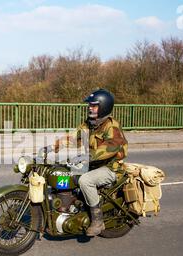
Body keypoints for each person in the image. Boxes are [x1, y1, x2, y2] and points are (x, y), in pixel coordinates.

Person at [42, 89, 129, 236]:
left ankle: (97, 220)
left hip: (111, 169)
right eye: (89, 105)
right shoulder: (88, 125)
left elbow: (110, 147)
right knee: (64, 171)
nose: (90, 108)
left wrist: (88, 157)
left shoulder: (112, 126)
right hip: (93, 165)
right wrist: (52, 147)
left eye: (94, 105)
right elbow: (72, 138)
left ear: (104, 107)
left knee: (85, 181)